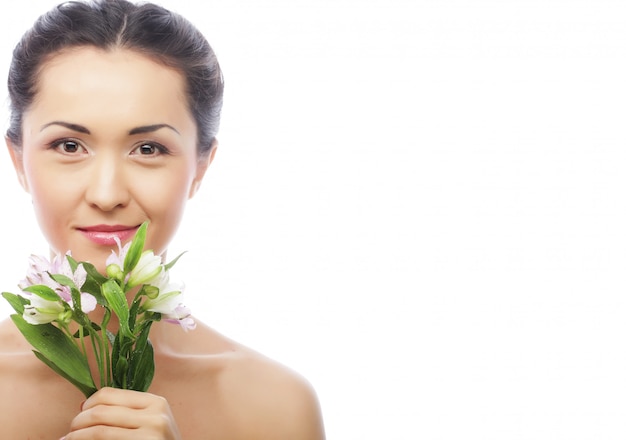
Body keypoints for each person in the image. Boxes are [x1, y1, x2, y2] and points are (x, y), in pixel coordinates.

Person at [0, 0, 325, 438]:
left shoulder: (274, 408)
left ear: (201, 167)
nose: (106, 194)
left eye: (148, 149)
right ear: (18, 160)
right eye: (69, 146)